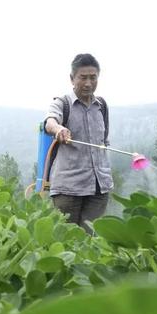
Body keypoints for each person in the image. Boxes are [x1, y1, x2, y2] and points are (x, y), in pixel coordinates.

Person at [44, 53, 113, 233]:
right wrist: (58, 129)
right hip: (68, 188)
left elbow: (104, 141)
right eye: (83, 78)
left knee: (90, 239)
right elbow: (50, 121)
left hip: (99, 188)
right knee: (66, 238)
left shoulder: (102, 106)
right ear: (72, 78)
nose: (88, 83)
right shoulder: (62, 103)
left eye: (93, 77)